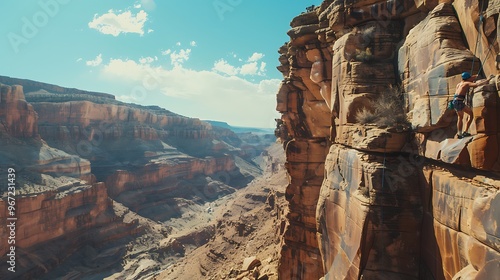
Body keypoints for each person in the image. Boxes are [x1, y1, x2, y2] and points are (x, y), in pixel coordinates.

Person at [453, 72, 493, 139]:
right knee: (471, 114)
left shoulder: (459, 84)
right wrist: (488, 80)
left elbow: (470, 79)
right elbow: (477, 84)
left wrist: (475, 76)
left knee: (460, 118)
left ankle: (459, 133)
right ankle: (465, 131)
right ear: (468, 78)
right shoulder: (467, 83)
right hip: (459, 102)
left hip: (455, 101)